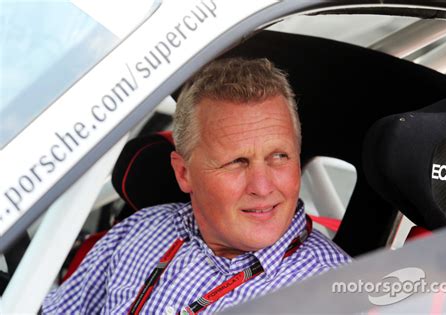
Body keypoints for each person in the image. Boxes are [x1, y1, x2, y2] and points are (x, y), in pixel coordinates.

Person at [42, 58, 350, 314]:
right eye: (237, 162)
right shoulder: (140, 230)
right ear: (184, 173)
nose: (262, 185)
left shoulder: (335, 295)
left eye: (279, 157)